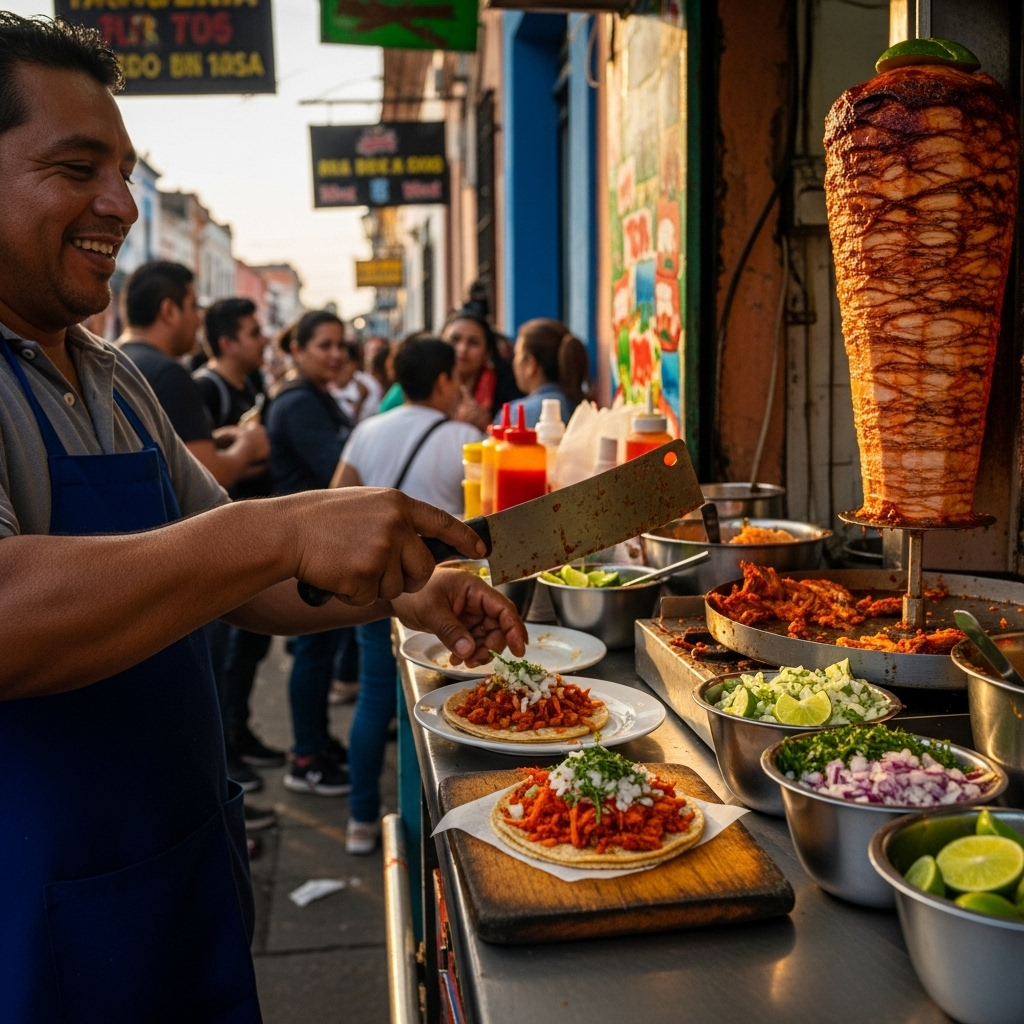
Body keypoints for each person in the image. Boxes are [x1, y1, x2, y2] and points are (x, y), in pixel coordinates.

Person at [0, 16, 527, 1021]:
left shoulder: (112, 377)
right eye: (77, 169)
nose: (117, 203)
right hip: (33, 918)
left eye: (121, 170)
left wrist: (414, 587)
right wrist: (281, 526)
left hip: (180, 871)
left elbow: (241, 583)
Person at [332, 338, 483, 853]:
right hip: (441, 594)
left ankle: (359, 820)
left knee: (375, 697)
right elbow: (481, 523)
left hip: (367, 585)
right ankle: (438, 831)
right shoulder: (464, 436)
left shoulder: (367, 429)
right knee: (443, 709)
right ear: (443, 381)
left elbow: (336, 502)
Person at [266, 310, 361, 795]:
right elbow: (335, 466)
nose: (336, 354)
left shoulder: (317, 396)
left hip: (321, 541)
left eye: (340, 345)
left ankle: (317, 742)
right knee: (312, 651)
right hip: (306, 548)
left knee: (319, 650)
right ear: (297, 350)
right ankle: (305, 758)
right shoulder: (298, 403)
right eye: (323, 345)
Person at [194, 298, 284, 785]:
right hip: (222, 538)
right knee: (226, 649)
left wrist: (245, 453)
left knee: (251, 648)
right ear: (227, 342)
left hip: (255, 533)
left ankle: (242, 731)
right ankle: (226, 750)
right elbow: (206, 467)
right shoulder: (204, 388)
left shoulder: (250, 385)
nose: (262, 339)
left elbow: (258, 453)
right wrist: (245, 453)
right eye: (253, 332)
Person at [119, 261, 270, 488]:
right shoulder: (169, 374)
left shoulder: (111, 360)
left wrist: (213, 441)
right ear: (169, 311)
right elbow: (208, 476)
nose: (199, 319)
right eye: (193, 306)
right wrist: (249, 445)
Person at [442, 300, 521, 432]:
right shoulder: (424, 387)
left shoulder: (507, 390)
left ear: (487, 352)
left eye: (473, 342)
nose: (462, 349)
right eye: (454, 340)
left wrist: (487, 426)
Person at [504, 317, 590, 428]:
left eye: (516, 355)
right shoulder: (584, 409)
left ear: (531, 365)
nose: (514, 362)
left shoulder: (515, 414)